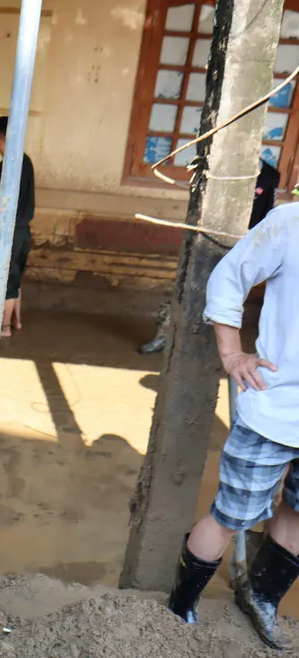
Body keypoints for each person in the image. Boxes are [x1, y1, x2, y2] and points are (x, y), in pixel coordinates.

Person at [165, 203, 299, 651]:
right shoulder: (290, 222)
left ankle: (262, 598)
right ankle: (179, 608)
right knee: (230, 516)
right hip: (275, 408)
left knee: (298, 514)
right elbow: (229, 276)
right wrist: (231, 354)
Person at [140, 158, 281, 355]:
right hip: (209, 241)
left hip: (243, 245)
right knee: (186, 289)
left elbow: (269, 212)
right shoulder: (224, 167)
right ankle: (164, 336)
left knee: (225, 297)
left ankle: (209, 348)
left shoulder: (270, 175)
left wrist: (255, 241)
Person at [0, 116, 35, 338]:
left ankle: (2, 328)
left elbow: (2, 210)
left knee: (6, 282)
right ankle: (16, 321)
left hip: (8, 234)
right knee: (15, 278)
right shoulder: (24, 160)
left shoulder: (9, 167)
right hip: (23, 233)